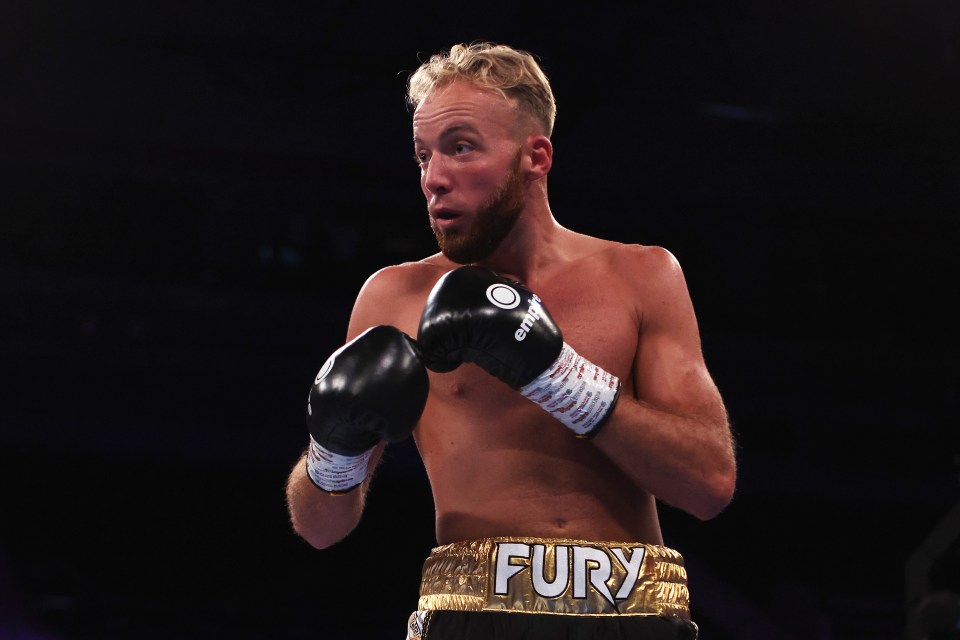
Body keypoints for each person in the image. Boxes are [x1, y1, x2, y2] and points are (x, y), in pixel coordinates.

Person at [285, 41, 736, 640]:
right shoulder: (393, 298)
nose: (434, 179)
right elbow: (320, 528)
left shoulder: (642, 276)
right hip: (473, 616)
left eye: (460, 147)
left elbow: (708, 484)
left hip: (633, 616)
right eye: (423, 156)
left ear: (536, 156)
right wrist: (332, 447)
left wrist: (556, 374)